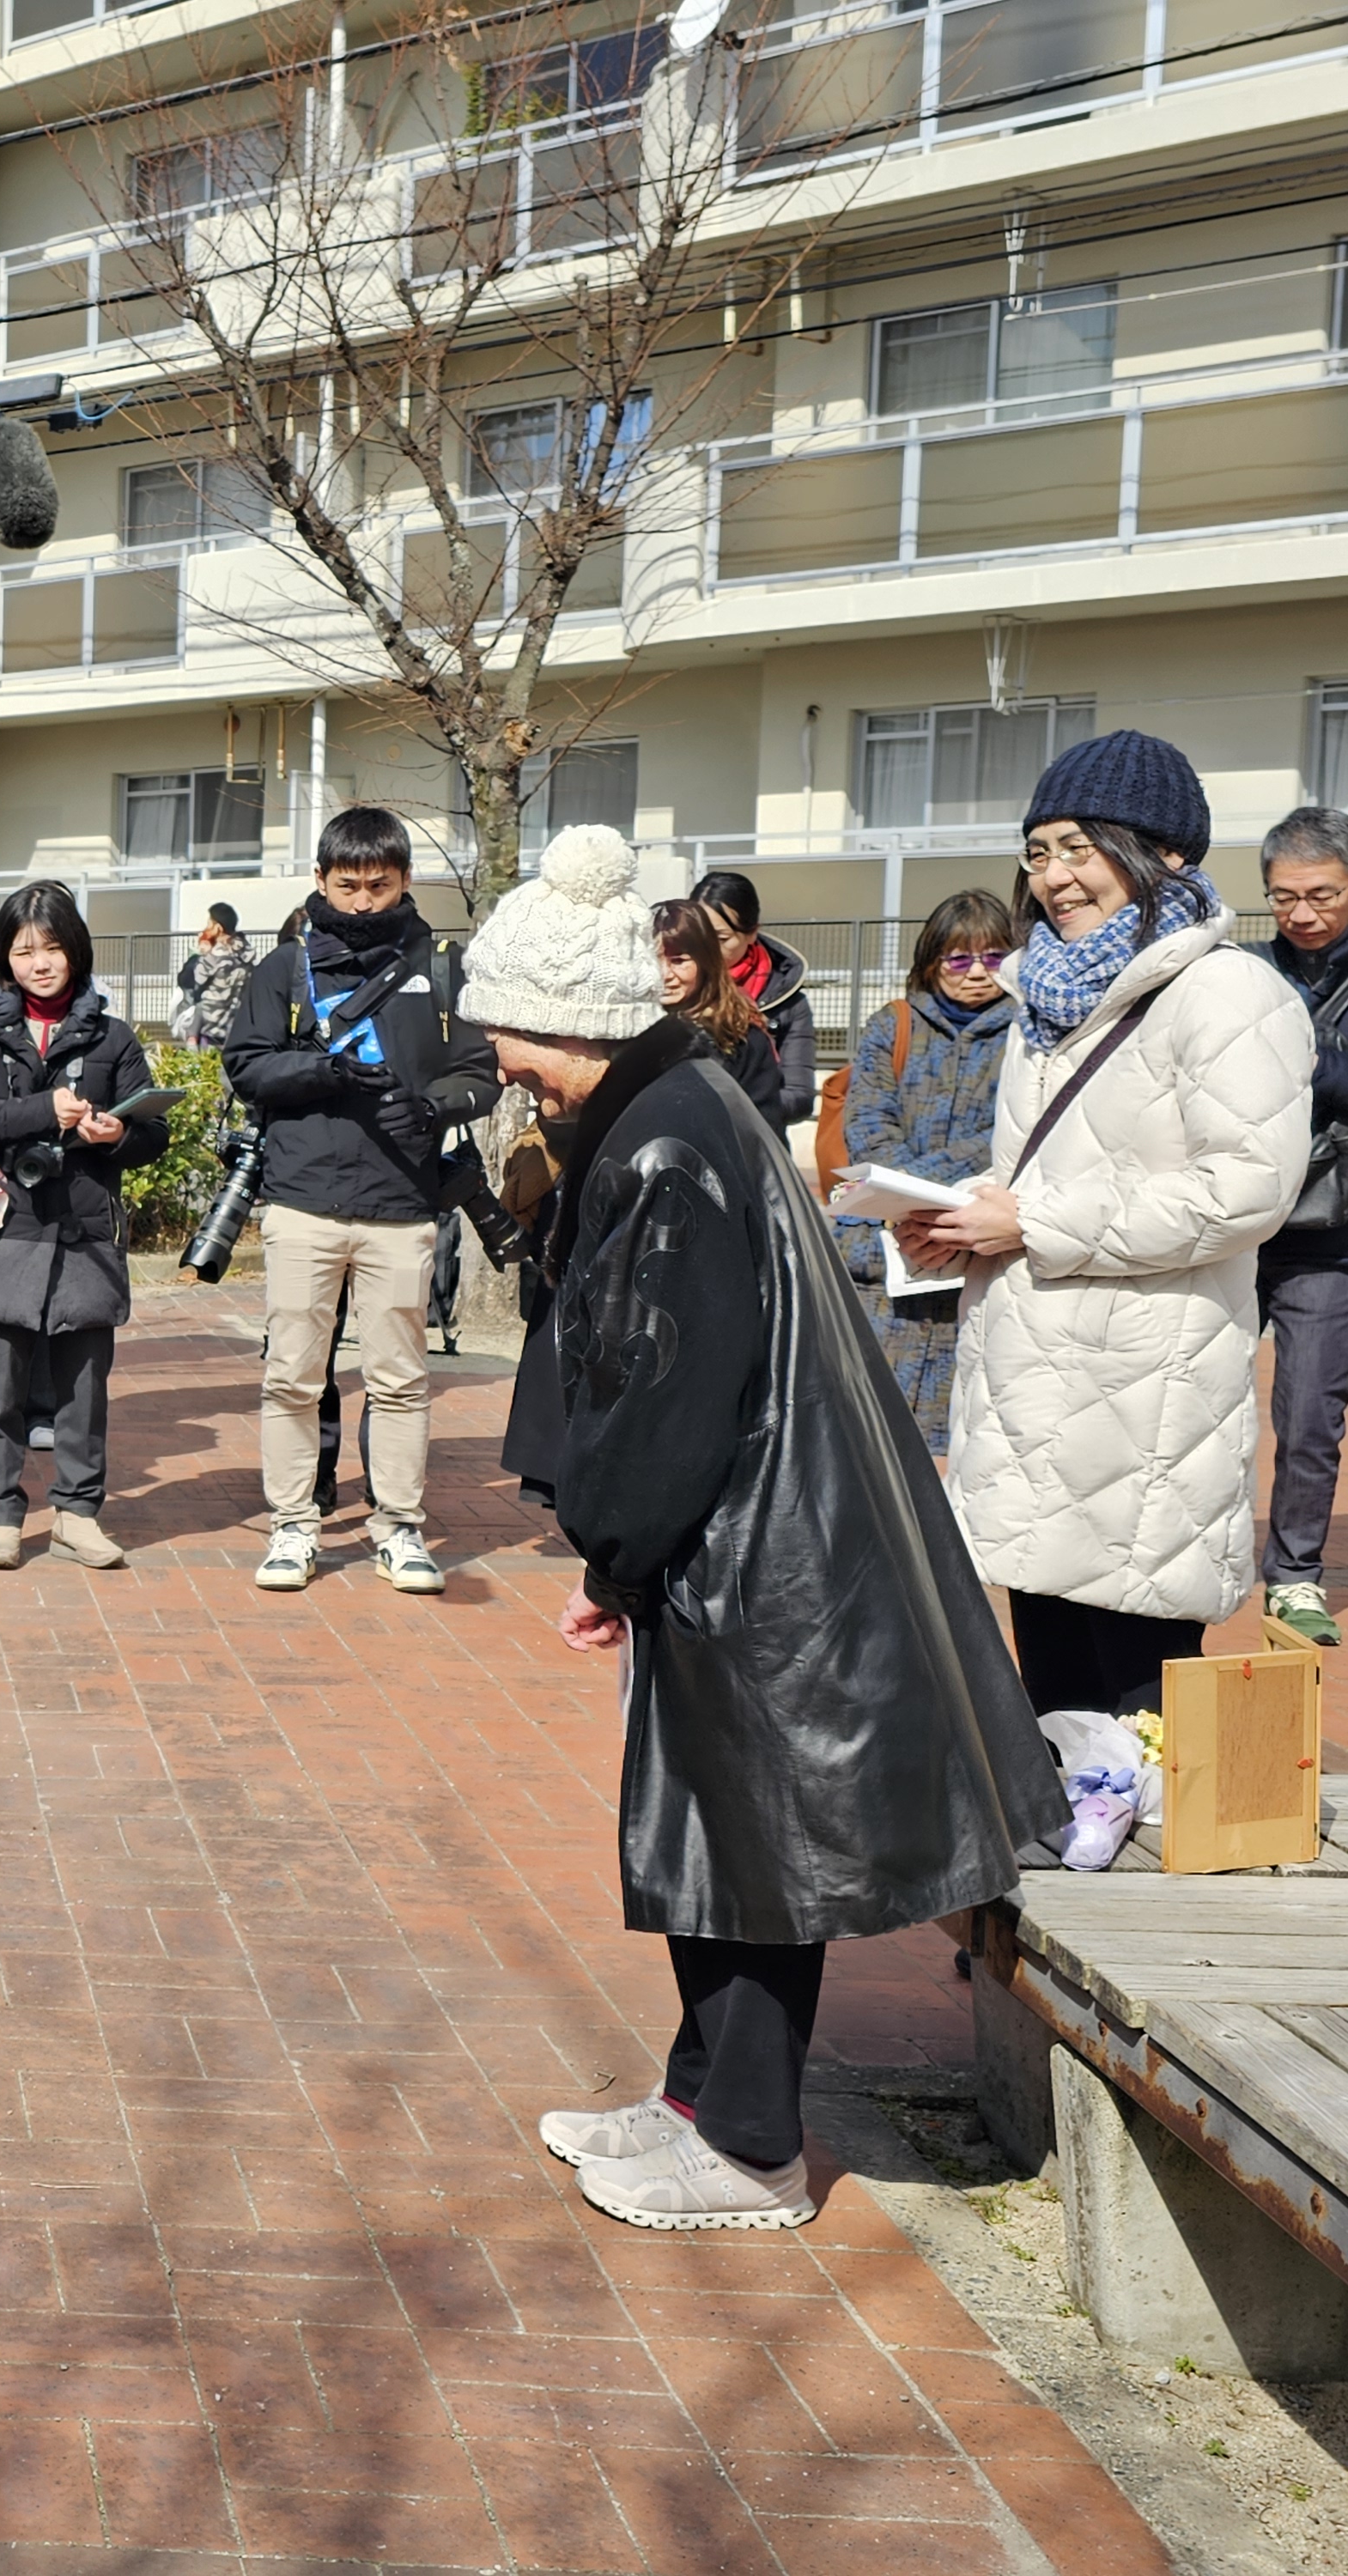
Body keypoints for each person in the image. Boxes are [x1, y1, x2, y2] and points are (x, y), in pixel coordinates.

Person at [457, 815, 1063, 2229]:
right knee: (710, 1840)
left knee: (751, 1855)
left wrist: (615, 1548)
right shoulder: (681, 1106)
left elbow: (665, 1397)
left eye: (515, 1040)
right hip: (744, 1545)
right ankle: (691, 2102)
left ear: (578, 1025)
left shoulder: (666, 1149)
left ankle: (747, 2147)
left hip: (761, 1560)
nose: (503, 1067)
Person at [908, 731, 1311, 1716]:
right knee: (1047, 1673)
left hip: (1144, 1385)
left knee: (1134, 1682)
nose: (1053, 877)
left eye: (1080, 847)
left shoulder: (1229, 992)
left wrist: (1032, 1221)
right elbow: (1047, 1166)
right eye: (1038, 851)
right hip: (1030, 1374)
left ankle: (1145, 1857)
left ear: (1163, 852)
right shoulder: (1041, 996)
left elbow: (1247, 1186)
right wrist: (962, 1220)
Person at [221, 806, 499, 1597]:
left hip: (402, 1206)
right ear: (320, 881)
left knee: (401, 1378)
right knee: (292, 1376)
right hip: (303, 1201)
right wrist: (323, 1074)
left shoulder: (441, 967)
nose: (365, 901)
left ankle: (400, 1528)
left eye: (380, 885)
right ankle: (292, 1526)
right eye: (348, 886)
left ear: (406, 880)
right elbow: (247, 1065)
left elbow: (479, 1071)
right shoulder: (284, 968)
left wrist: (436, 1108)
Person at [0, 881, 172, 1571]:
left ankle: (77, 1514)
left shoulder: (112, 1033)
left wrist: (114, 1134)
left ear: (76, 950)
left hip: (83, 1227)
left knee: (82, 1387)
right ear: (4, 957)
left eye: (53, 948)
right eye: (24, 950)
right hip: (1, 1222)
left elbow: (153, 1131)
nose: (40, 963)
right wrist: (45, 1111)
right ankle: (1, 1516)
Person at [828, 890, 1018, 1455]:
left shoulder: (1030, 1031)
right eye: (959, 958)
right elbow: (866, 1123)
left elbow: (1009, 1136)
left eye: (993, 957)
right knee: (866, 1434)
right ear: (931, 961)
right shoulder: (894, 1024)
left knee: (968, 1440)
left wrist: (930, 1194)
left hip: (975, 1244)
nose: (977, 973)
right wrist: (909, 1193)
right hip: (884, 1248)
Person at [1258, 808, 1348, 1644]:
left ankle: (1291, 1576)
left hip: (1327, 1236)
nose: (1302, 914)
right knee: (1187, 1390)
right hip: (1230, 1219)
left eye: (1321, 894)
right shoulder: (1245, 972)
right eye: (1283, 898)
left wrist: (1307, 1065)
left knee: (1311, 1411)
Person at [690, 869, 817, 1127]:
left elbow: (800, 1096)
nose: (709, 949)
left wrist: (726, 1109)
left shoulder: (788, 1002)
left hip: (755, 1144)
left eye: (722, 938)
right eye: (699, 936)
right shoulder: (676, 987)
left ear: (752, 933)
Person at [653, 898, 785, 1126]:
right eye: (652, 959)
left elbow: (764, 1132)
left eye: (679, 961)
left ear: (706, 961)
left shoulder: (743, 1038)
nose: (664, 974)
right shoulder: (618, 1035)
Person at [171, 902, 250, 1046]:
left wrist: (204, 953)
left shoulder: (216, 955)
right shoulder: (247, 952)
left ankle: (191, 1038)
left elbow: (197, 980)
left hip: (213, 1025)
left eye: (209, 924)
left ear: (218, 928)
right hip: (237, 1024)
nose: (206, 929)